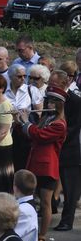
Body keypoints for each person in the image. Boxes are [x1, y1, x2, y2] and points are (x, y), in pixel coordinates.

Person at [17, 86, 67, 241]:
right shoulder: (45, 118)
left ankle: (43, 236)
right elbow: (33, 135)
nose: (50, 104)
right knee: (28, 200)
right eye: (48, 100)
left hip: (47, 167)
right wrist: (20, 121)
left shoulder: (59, 124)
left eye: (54, 101)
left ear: (60, 104)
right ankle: (26, 231)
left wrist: (26, 122)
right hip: (34, 163)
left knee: (45, 202)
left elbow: (39, 135)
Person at [50, 67, 81, 232]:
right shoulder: (52, 98)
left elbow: (74, 127)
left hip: (69, 149)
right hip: (53, 147)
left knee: (70, 188)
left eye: (54, 83)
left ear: (64, 83)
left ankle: (67, 220)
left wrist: (57, 138)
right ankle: (49, 208)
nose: (50, 86)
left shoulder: (75, 101)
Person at [6, 64, 43, 172]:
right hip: (7, 132)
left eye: (24, 76)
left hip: (25, 135)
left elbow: (40, 114)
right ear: (10, 77)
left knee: (24, 165)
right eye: (19, 76)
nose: (23, 79)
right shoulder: (3, 91)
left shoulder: (31, 90)